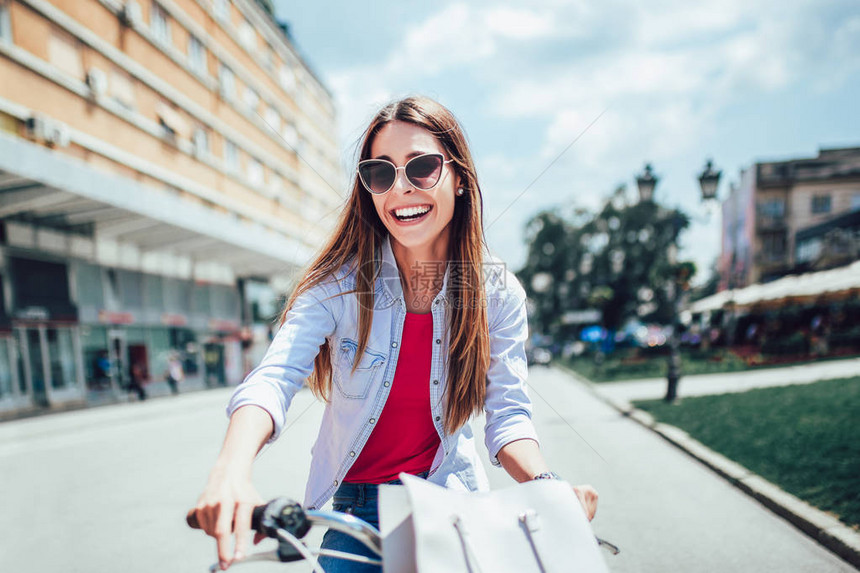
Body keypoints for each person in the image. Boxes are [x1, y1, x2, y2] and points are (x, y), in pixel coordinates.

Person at [190, 96, 599, 572]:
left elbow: (507, 415)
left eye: (421, 167)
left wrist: (546, 485)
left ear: (460, 178)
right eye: (380, 174)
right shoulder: (338, 284)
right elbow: (275, 376)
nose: (401, 188)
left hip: (446, 503)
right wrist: (232, 470)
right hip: (351, 512)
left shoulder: (496, 292)